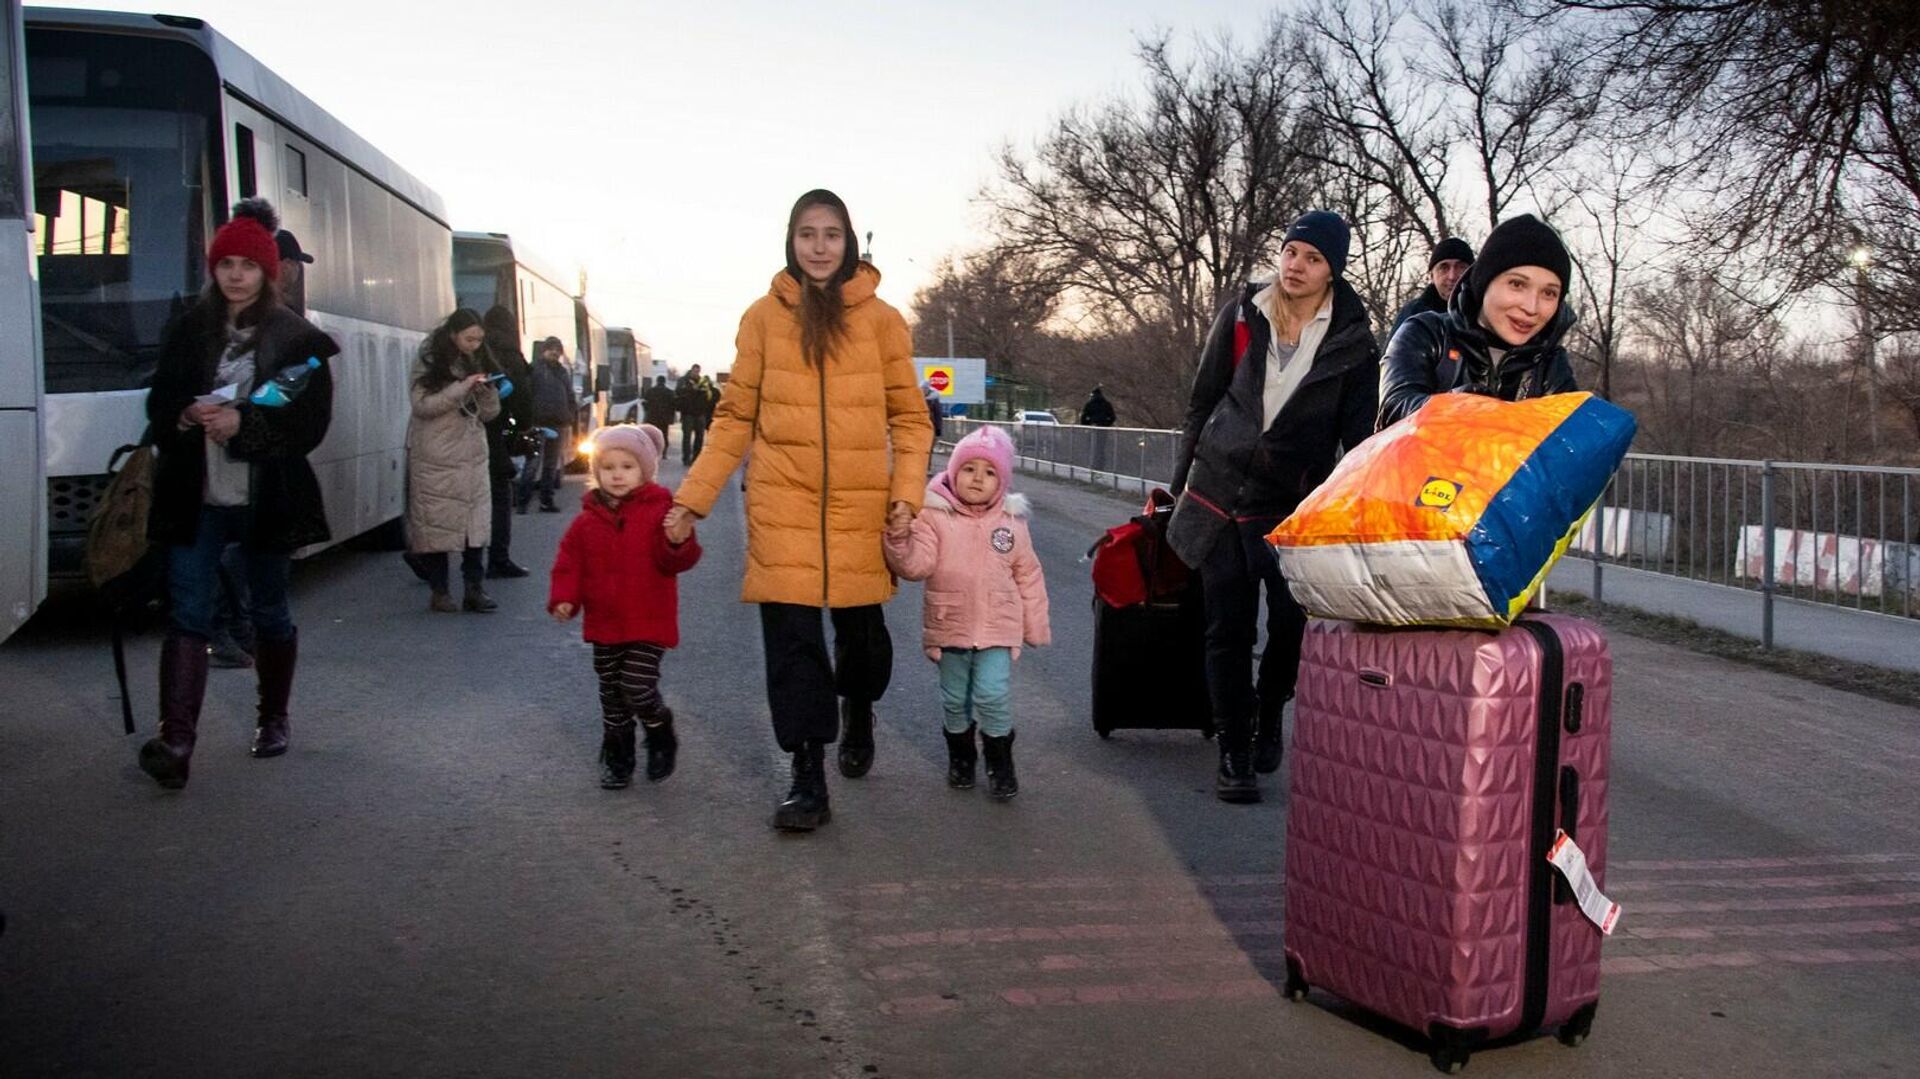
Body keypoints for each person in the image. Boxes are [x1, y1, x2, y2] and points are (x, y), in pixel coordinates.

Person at [664, 188, 934, 833]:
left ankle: (859, 705)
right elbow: (733, 418)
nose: (819, 247)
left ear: (848, 243)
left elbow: (911, 420)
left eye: (831, 234)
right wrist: (690, 500)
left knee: (862, 642)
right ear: (791, 240)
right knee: (792, 645)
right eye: (807, 234)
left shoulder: (882, 320)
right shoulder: (762, 317)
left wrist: (905, 497)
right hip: (782, 501)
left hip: (862, 506)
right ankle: (807, 773)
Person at [1166, 210, 1380, 805]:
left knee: (1290, 624)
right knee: (1225, 628)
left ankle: (1269, 708)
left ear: (1331, 269)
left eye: (1312, 258)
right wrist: (1178, 485)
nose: (1296, 266)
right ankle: (1234, 750)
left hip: (1291, 507)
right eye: (1291, 252)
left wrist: (1344, 513)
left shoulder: (1355, 344)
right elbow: (1201, 403)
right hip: (1219, 495)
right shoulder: (1242, 313)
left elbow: (1359, 438)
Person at [138, 198, 339, 789]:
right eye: (224, 263)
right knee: (188, 615)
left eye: (246, 265)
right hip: (193, 496)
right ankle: (176, 742)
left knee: (269, 611)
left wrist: (243, 425)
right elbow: (158, 401)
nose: (234, 275)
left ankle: (273, 719)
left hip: (265, 497)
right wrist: (181, 414)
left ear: (266, 272)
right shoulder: (188, 331)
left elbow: (309, 424)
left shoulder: (297, 340)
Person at [882, 426, 1050, 800]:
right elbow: (916, 565)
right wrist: (899, 537)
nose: (978, 478)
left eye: (989, 472)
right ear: (954, 471)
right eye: (969, 468)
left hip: (998, 628)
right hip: (950, 624)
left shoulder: (1011, 522)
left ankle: (999, 759)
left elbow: (1028, 574)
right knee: (955, 698)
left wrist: (1034, 627)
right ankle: (961, 755)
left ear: (1002, 482)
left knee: (992, 694)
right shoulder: (933, 515)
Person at [549, 424, 702, 789]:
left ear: (645, 471)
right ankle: (618, 754)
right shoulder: (586, 521)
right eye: (608, 467)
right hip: (605, 623)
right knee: (612, 692)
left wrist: (678, 542)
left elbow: (678, 560)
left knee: (636, 685)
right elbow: (569, 563)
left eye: (627, 467)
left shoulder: (662, 511)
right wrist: (565, 597)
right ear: (596, 472)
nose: (617, 475)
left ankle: (659, 728)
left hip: (649, 619)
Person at [1377, 214, 1578, 429]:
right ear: (1484, 283)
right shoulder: (1427, 333)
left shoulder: (1549, 363)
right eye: (1517, 284)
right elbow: (1393, 410)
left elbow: (1570, 444)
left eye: (1549, 293)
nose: (1531, 307)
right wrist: (1454, 409)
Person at [406, 309, 504, 613]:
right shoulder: (429, 361)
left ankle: (474, 588)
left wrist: (487, 393)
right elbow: (422, 406)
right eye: (469, 338)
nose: (475, 344)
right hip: (437, 455)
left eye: (479, 339)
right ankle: (440, 591)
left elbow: (489, 415)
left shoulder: (478, 360)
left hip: (472, 455)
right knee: (436, 523)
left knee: (475, 525)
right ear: (453, 334)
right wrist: (459, 388)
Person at [481, 306, 534, 577]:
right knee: (501, 495)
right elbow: (523, 397)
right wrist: (525, 427)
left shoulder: (475, 351)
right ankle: (498, 558)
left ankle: (432, 555)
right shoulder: (511, 356)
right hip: (496, 433)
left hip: (467, 432)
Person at [517, 337, 577, 513]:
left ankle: (546, 501)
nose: (555, 352)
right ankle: (523, 502)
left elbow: (570, 395)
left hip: (558, 424)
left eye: (558, 349)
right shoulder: (534, 370)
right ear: (543, 350)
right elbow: (526, 395)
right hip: (537, 424)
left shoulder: (563, 372)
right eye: (551, 349)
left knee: (551, 465)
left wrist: (569, 414)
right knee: (533, 463)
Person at [1390, 236, 1474, 337]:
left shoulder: (1487, 312)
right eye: (1444, 268)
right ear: (1432, 276)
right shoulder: (1413, 314)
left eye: (1461, 267)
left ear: (1473, 273)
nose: (1452, 276)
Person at [675, 363, 714, 465]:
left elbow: (708, 396)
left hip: (700, 413)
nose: (696, 373)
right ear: (691, 370)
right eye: (695, 371)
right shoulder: (683, 380)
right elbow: (678, 392)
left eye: (698, 371)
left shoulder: (703, 382)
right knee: (687, 437)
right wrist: (692, 390)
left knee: (700, 436)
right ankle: (686, 458)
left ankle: (696, 457)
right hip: (687, 413)